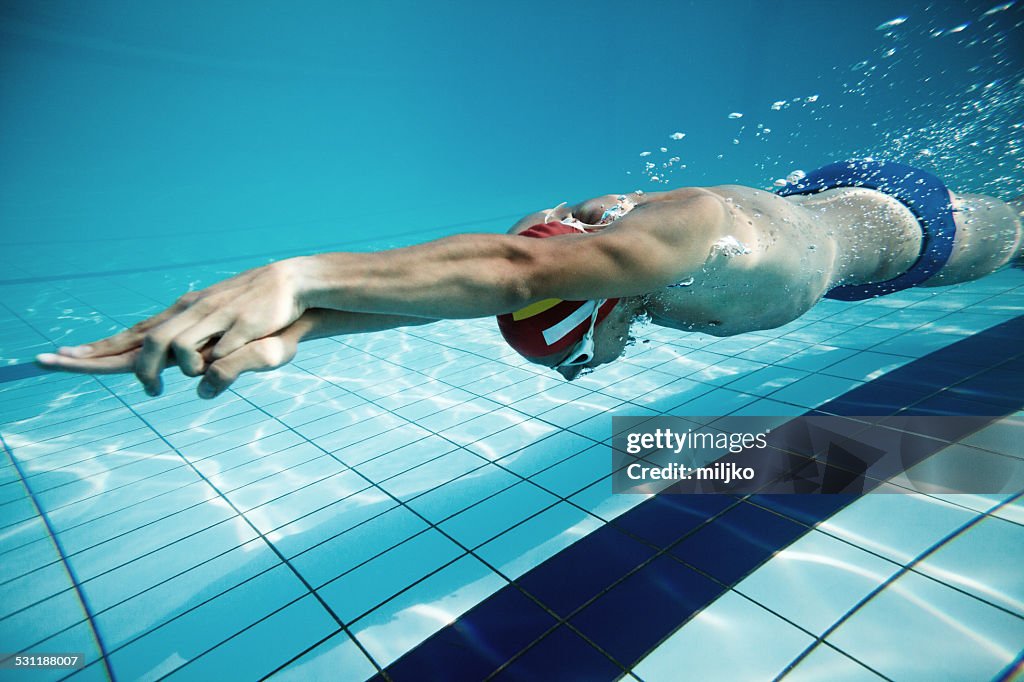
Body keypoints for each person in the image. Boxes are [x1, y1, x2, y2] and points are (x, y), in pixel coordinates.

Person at [36, 160, 1023, 397]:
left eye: (581, 222)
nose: (597, 209)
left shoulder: (698, 231)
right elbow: (494, 284)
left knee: (1016, 240)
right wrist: (297, 330)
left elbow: (513, 272)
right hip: (842, 241)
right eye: (574, 233)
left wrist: (293, 276)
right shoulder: (622, 282)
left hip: (908, 223)